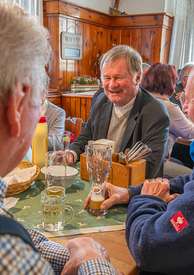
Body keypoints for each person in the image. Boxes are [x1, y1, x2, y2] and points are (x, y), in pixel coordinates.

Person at [0, 0, 130, 275]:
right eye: (37, 97)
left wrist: (71, 254)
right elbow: (5, 250)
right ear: (16, 104)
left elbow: (11, 233)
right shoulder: (0, 258)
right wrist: (94, 262)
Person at [85, 46, 194, 275]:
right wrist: (129, 192)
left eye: (189, 100)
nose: (185, 109)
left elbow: (148, 246)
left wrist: (145, 199)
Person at [67, 45, 170, 179]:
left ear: (137, 77)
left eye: (119, 77)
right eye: (107, 78)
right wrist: (71, 152)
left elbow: (148, 168)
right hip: (99, 179)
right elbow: (87, 137)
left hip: (134, 190)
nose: (112, 85)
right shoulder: (100, 99)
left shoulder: (156, 114)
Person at [141, 63, 194, 178]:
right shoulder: (168, 107)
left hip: (139, 161)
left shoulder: (142, 100)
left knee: (179, 162)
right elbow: (191, 134)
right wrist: (184, 103)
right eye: (174, 83)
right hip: (155, 166)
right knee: (193, 176)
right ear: (169, 84)